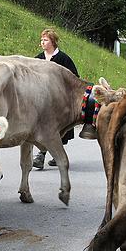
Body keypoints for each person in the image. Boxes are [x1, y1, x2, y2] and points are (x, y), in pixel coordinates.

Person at [32, 28, 95, 169]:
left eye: (45, 40)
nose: (42, 42)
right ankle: (50, 155)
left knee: (54, 128)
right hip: (43, 100)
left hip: (59, 101)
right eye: (41, 40)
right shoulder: (38, 59)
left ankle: (45, 155)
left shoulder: (63, 58)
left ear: (53, 41)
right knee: (45, 127)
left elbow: (74, 80)